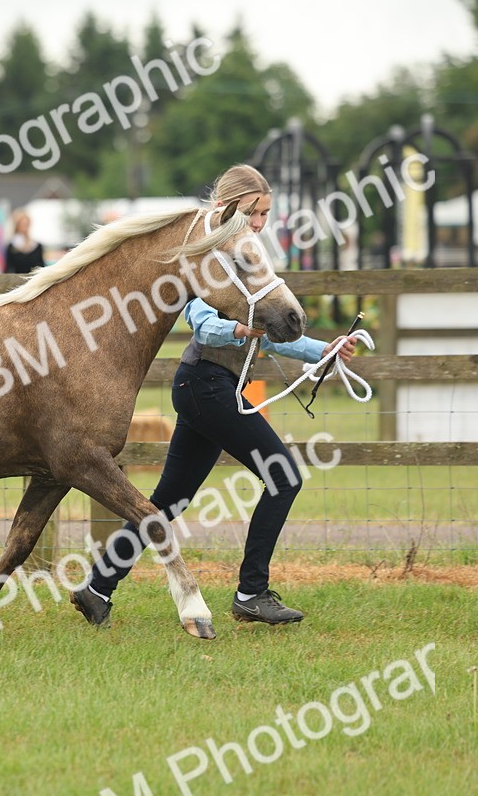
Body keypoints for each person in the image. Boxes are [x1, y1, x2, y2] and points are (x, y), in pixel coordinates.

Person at [70, 164, 359, 629]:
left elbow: (270, 332)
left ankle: (97, 586)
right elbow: (202, 323)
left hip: (205, 387)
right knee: (283, 476)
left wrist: (323, 351)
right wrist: (241, 328)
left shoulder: (242, 251)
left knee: (169, 499)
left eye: (266, 213)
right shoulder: (207, 251)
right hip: (205, 385)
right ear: (231, 206)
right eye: (255, 211)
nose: (261, 222)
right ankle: (251, 593)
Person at [4, 209, 44, 274]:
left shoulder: (36, 246)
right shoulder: (12, 246)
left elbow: (40, 266)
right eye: (22, 224)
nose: (24, 226)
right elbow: (9, 268)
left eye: (26, 223)